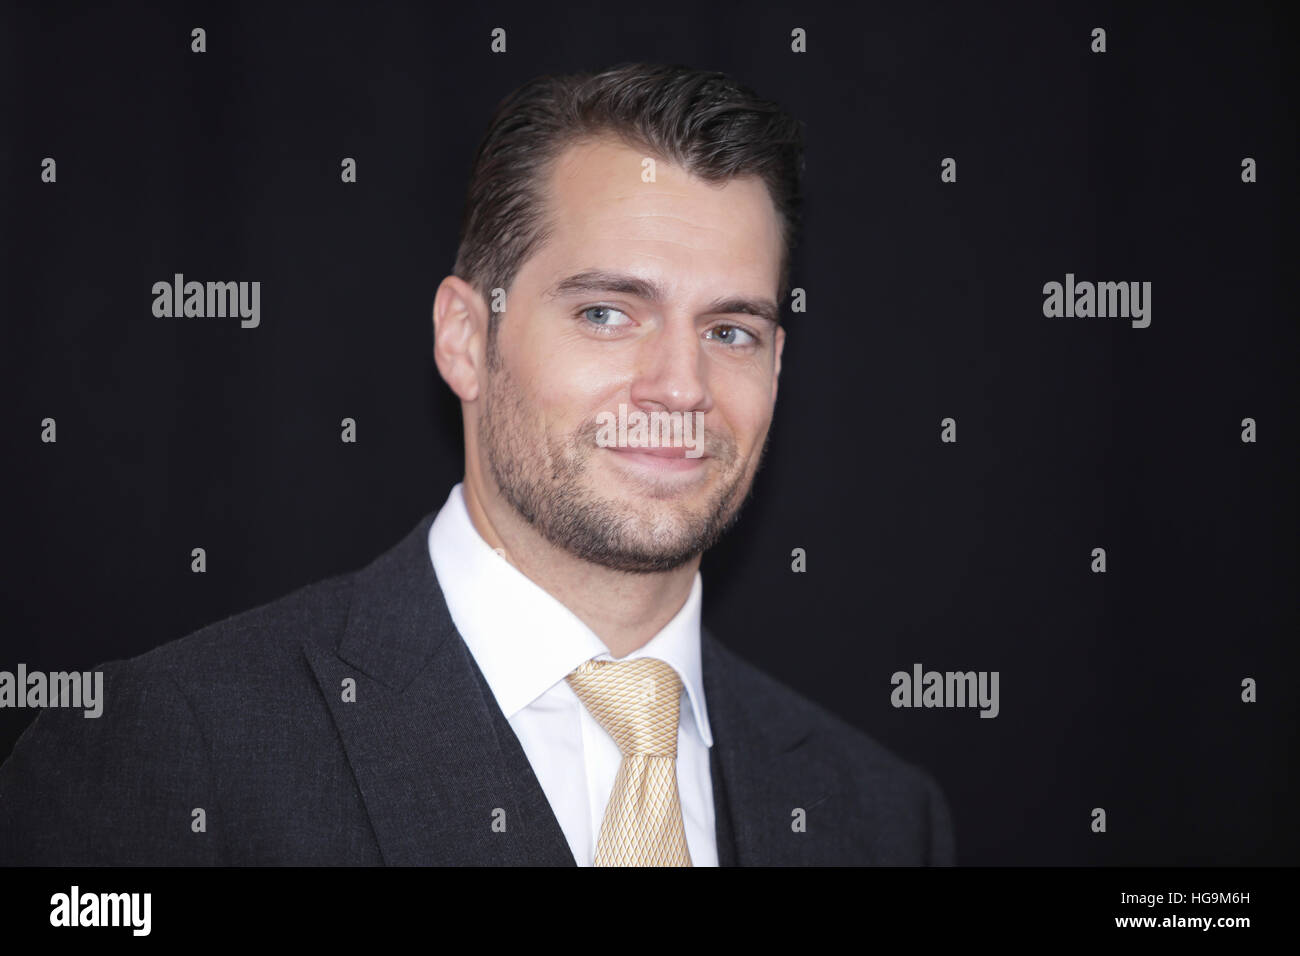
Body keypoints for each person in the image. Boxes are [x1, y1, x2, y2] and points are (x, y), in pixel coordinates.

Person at [0, 62, 954, 866]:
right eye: (606, 314)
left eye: (732, 329)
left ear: (777, 368)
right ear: (463, 337)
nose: (680, 387)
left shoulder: (877, 818)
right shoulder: (172, 755)